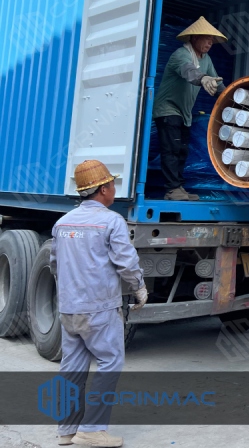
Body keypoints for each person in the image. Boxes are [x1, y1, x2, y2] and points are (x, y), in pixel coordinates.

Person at [50, 160, 148, 447]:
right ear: (103, 189)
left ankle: (67, 431)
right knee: (110, 361)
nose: (114, 189)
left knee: (72, 367)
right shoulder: (111, 221)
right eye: (112, 184)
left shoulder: (62, 223)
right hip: (99, 309)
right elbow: (126, 262)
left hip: (69, 308)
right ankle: (92, 429)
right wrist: (139, 287)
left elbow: (55, 265)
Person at [152, 16, 228, 200]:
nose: (210, 43)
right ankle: (172, 190)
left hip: (184, 113)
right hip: (168, 109)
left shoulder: (206, 59)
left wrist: (231, 98)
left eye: (212, 40)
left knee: (182, 150)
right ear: (194, 38)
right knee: (172, 148)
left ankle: (179, 188)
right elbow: (189, 72)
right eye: (207, 38)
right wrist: (203, 78)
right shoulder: (181, 54)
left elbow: (217, 84)